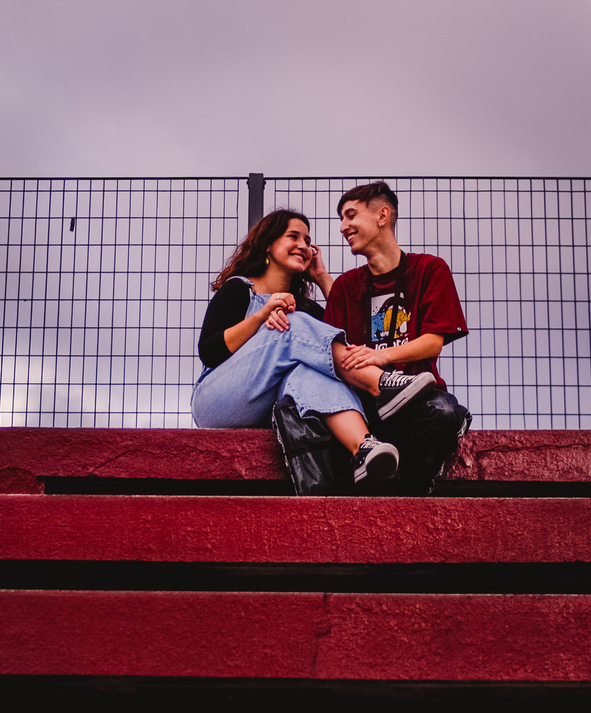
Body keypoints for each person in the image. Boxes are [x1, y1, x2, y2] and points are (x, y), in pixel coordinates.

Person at [191, 209, 436, 486]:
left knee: (315, 367)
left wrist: (320, 276)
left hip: (265, 407)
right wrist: (262, 317)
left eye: (307, 241)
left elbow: (350, 337)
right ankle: (380, 384)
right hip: (218, 400)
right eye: (293, 237)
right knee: (291, 326)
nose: (303, 245)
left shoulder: (304, 309)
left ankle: (363, 449)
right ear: (268, 244)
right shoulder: (240, 289)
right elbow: (210, 352)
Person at [323, 182, 471, 495]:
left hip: (416, 400)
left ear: (383, 215)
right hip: (362, 404)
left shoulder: (429, 269)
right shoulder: (345, 287)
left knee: (445, 414)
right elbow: (331, 353)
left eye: (351, 215)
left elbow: (433, 342)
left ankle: (412, 503)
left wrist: (381, 356)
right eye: (341, 219)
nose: (343, 227)